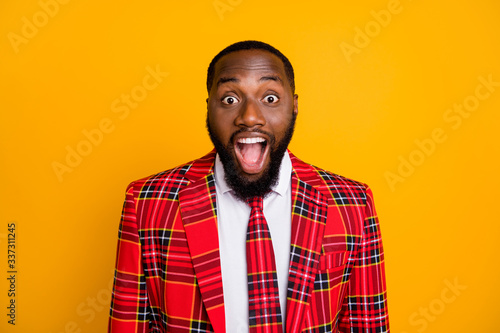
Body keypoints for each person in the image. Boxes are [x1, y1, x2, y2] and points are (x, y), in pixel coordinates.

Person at [108, 40, 389, 333]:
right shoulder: (148, 203)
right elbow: (129, 324)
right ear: (209, 109)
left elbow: (367, 325)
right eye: (230, 99)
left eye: (269, 98)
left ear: (294, 106)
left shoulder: (352, 204)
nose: (250, 117)